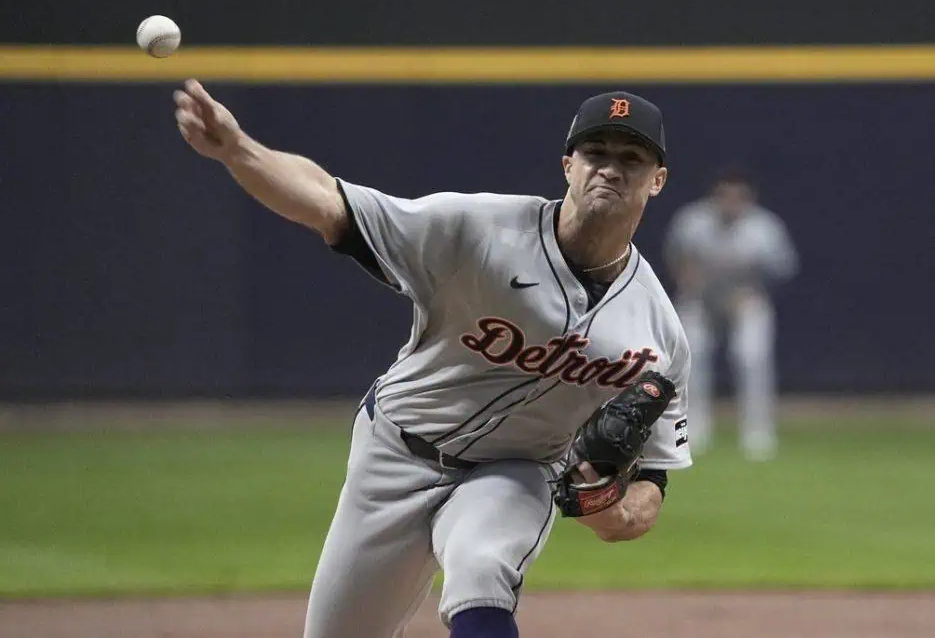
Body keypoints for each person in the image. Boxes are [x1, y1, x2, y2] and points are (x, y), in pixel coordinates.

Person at [172, 81, 692, 638]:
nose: (610, 169)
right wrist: (238, 149)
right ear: (568, 165)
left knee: (481, 566)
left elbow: (650, 490)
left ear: (657, 180)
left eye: (632, 159)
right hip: (395, 454)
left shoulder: (659, 335)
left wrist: (608, 506)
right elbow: (329, 203)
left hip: (515, 471)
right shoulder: (477, 231)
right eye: (596, 153)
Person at [663, 166, 798, 460]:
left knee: (751, 357)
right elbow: (677, 259)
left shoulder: (764, 228)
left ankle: (757, 432)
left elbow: (782, 272)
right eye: (726, 195)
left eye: (738, 196)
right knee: (691, 358)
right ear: (715, 196)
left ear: (749, 197)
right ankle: (693, 429)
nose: (731, 202)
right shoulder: (693, 221)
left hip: (745, 302)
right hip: (700, 301)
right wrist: (690, 279)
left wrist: (754, 291)